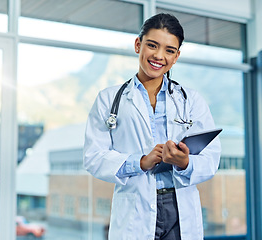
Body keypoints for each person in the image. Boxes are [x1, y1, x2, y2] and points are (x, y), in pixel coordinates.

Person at [83, 13, 221, 240]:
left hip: (180, 207)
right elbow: (93, 156)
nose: (159, 56)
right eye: (152, 45)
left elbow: (211, 157)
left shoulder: (191, 101)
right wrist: (140, 162)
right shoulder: (108, 100)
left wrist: (184, 162)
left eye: (169, 50)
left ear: (176, 57)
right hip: (135, 207)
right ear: (138, 45)